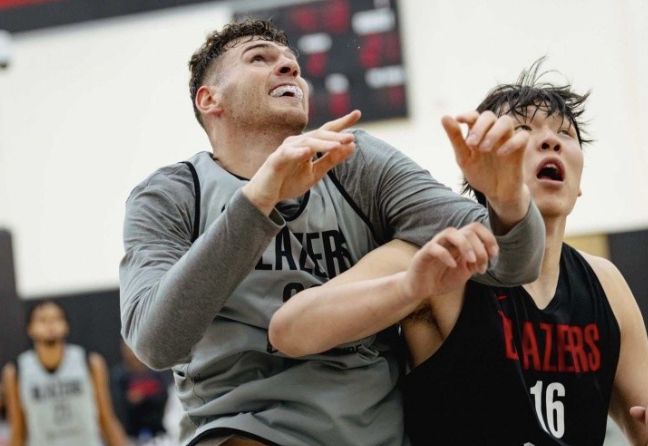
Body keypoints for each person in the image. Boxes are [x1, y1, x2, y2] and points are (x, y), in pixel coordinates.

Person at [119, 19, 545, 446]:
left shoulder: (357, 160)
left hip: (374, 431)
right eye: (259, 58)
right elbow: (155, 344)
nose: (289, 68)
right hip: (243, 428)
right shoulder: (171, 194)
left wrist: (507, 199)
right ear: (210, 99)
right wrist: (258, 200)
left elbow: (513, 263)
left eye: (293, 63)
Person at [269, 61, 648, 445]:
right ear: (479, 169)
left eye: (565, 133)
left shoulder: (605, 283)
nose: (551, 141)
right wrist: (409, 287)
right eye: (522, 131)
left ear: (579, 181)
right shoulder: (438, 259)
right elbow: (289, 330)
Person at [1, 300, 127, 446]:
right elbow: (17, 430)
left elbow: (107, 419)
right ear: (30, 329)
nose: (50, 325)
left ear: (66, 325)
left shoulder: (90, 362)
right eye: (42, 320)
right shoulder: (15, 371)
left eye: (56, 318)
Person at [111, 341, 171, 442]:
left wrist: (145, 397)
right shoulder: (120, 376)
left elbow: (163, 397)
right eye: (128, 349)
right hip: (130, 435)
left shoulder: (156, 373)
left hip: (157, 434)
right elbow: (117, 406)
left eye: (132, 349)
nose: (131, 354)